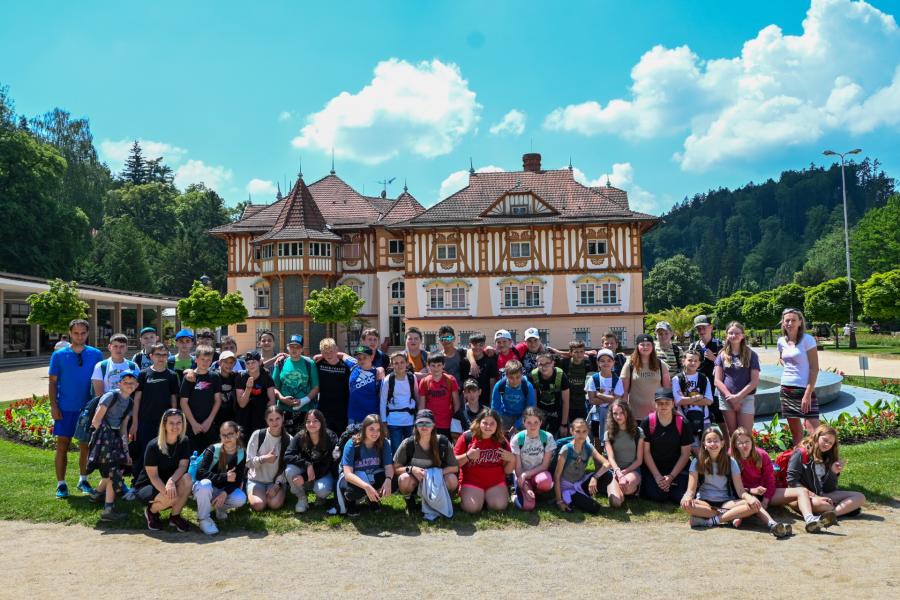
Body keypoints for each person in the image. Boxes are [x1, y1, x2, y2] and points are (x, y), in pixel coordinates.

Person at [49, 319, 104, 498]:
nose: (79, 336)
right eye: (76, 333)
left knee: (85, 446)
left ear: (88, 333)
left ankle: (83, 480)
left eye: (83, 333)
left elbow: (100, 380)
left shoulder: (96, 354)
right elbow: (52, 382)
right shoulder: (58, 355)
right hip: (65, 408)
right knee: (62, 446)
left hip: (87, 409)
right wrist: (54, 406)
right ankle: (61, 484)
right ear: (70, 333)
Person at [681, 426, 764, 531]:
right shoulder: (697, 462)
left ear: (722, 443)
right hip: (704, 502)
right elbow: (690, 490)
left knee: (754, 504)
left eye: (716, 441)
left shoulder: (731, 461)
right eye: (709, 441)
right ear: (704, 445)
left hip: (726, 502)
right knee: (685, 505)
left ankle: (710, 521)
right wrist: (687, 497)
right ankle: (731, 516)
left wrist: (750, 498)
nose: (713, 444)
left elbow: (740, 491)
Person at [729, 428, 803, 536]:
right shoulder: (731, 457)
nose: (744, 445)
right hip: (743, 493)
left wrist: (765, 501)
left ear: (752, 442)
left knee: (801, 492)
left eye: (747, 441)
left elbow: (770, 480)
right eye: (740, 443)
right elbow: (733, 485)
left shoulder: (761, 455)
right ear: (735, 445)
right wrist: (751, 490)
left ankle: (810, 518)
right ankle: (773, 525)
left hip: (763, 492)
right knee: (753, 502)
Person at [86, 369, 138, 521]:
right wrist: (98, 441)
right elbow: (96, 420)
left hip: (115, 438)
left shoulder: (130, 402)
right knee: (112, 472)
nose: (129, 385)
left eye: (132, 383)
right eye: (126, 382)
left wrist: (126, 451)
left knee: (113, 470)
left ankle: (96, 495)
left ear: (136, 385)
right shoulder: (110, 396)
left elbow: (123, 428)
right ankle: (108, 510)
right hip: (102, 438)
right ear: (119, 383)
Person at [787, 424, 865, 520]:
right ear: (816, 436)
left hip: (822, 494)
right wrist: (815, 496)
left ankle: (831, 515)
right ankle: (842, 510)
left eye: (830, 443)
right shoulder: (801, 453)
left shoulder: (828, 456)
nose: (827, 444)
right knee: (823, 505)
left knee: (860, 497)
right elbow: (792, 481)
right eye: (825, 440)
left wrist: (833, 472)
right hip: (803, 497)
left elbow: (829, 488)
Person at [133, 408, 193, 532]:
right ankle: (151, 511)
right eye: (171, 423)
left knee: (187, 479)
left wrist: (171, 481)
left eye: (179, 422)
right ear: (164, 425)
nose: (175, 426)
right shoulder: (153, 445)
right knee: (171, 497)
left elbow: (183, 466)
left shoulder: (184, 441)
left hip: (169, 480)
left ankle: (175, 516)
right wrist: (167, 492)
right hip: (149, 484)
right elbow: (153, 476)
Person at [393, 409, 459, 516]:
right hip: (416, 479)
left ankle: (444, 499)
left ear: (433, 426)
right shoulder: (408, 443)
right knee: (404, 479)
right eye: (420, 423)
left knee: (452, 480)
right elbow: (396, 468)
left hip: (437, 480)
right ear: (416, 426)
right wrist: (412, 469)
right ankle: (410, 502)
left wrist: (435, 474)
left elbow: (455, 467)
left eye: (428, 423)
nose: (424, 426)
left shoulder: (443, 442)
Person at [130, 343, 179, 482]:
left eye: (164, 355)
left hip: (164, 423)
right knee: (144, 451)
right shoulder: (143, 374)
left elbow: (174, 399)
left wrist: (174, 420)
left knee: (163, 451)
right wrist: (135, 422)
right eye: (158, 354)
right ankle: (138, 482)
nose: (161, 357)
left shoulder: (172, 375)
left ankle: (161, 480)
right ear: (151, 356)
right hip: (145, 421)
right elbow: (137, 399)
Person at [454, 408, 515, 513]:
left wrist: (512, 459)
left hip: (495, 482)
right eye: (485, 423)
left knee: (499, 507)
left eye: (492, 423)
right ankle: (480, 498)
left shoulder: (502, 440)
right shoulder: (467, 437)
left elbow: (507, 471)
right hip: (472, 481)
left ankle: (486, 498)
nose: (488, 426)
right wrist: (468, 456)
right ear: (478, 422)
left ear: (497, 425)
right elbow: (454, 463)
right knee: (472, 508)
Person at [193, 421, 248, 535]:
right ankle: (204, 519)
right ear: (220, 436)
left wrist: (225, 493)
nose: (227, 438)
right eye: (224, 435)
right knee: (205, 484)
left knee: (241, 498)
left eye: (230, 434)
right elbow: (200, 474)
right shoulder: (213, 449)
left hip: (221, 490)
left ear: (237, 434)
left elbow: (237, 481)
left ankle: (220, 509)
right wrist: (224, 477)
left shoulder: (241, 453)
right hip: (203, 489)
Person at [640, 389, 693, 503]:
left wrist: (671, 477)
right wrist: (657, 476)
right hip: (654, 468)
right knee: (658, 496)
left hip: (676, 468)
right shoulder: (647, 422)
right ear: (655, 404)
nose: (663, 406)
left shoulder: (683, 423)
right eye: (660, 403)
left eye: (667, 403)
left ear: (673, 403)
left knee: (678, 496)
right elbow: (646, 452)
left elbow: (685, 454)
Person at [777, 308, 821, 446]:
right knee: (796, 433)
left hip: (804, 389)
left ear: (800, 322)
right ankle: (799, 458)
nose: (790, 323)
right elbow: (782, 358)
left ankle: (822, 457)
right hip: (786, 388)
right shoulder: (781, 341)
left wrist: (807, 394)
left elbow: (814, 368)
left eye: (793, 320)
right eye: (787, 320)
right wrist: (790, 366)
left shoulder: (807, 340)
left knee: (815, 432)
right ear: (783, 322)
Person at [336, 414, 394, 516]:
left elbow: (389, 466)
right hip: (354, 477)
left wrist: (388, 480)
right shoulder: (352, 444)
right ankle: (351, 502)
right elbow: (348, 474)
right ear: (364, 429)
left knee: (394, 482)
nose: (375, 433)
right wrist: (366, 486)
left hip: (373, 474)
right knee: (352, 492)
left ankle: (372, 499)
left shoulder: (383, 442)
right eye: (371, 429)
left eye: (378, 429)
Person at [553, 418, 612, 514]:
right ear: (571, 431)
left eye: (584, 431)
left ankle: (581, 496)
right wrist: (559, 501)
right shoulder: (566, 450)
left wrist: (595, 477)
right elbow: (557, 476)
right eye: (578, 431)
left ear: (588, 432)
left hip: (580, 482)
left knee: (607, 475)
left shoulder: (588, 447)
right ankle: (566, 497)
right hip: (567, 487)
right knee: (595, 508)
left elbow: (607, 464)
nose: (581, 434)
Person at [285, 409, 338, 512]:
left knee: (322, 490)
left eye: (315, 421)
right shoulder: (300, 436)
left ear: (322, 422)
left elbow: (326, 465)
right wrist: (307, 465)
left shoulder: (330, 437)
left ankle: (321, 497)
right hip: (306, 470)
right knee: (290, 470)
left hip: (324, 473)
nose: (311, 424)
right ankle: (302, 498)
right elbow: (287, 455)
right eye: (308, 421)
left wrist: (304, 477)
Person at [714, 322, 760, 439]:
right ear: (726, 335)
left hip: (746, 398)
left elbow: (754, 381)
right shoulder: (722, 355)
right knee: (733, 434)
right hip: (726, 399)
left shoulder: (751, 355)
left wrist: (738, 397)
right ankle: (733, 452)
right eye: (730, 333)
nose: (733, 335)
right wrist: (730, 397)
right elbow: (717, 380)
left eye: (737, 333)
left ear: (743, 335)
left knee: (745, 434)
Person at [245, 406, 290, 513]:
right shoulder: (257, 435)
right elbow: (248, 463)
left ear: (283, 418)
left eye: (278, 418)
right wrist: (264, 459)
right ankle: (252, 491)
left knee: (274, 504)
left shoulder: (289, 439)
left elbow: (287, 467)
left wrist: (277, 485)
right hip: (256, 480)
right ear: (266, 420)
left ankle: (279, 492)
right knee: (258, 505)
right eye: (271, 419)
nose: (275, 422)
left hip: (276, 482)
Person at [510, 407, 556, 511]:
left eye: (536, 422)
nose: (533, 425)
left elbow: (545, 466)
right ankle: (516, 495)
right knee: (528, 506)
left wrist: (526, 474)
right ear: (524, 422)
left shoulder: (547, 437)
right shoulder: (517, 439)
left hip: (538, 473)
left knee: (546, 482)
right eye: (529, 422)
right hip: (521, 475)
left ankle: (537, 493)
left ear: (541, 422)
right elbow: (518, 468)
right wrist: (526, 487)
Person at [273, 334, 319, 434]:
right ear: (287, 347)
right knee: (285, 440)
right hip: (283, 410)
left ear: (302, 349)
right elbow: (274, 387)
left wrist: (303, 401)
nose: (294, 349)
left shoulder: (309, 363)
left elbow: (316, 387)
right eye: (292, 346)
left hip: (305, 411)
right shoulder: (281, 363)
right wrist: (282, 398)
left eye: (297, 347)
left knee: (303, 440)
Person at [180, 345, 222, 452]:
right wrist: (193, 423)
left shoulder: (214, 377)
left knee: (210, 455)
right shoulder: (189, 377)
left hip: (209, 424)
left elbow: (218, 400)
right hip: (192, 425)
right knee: (192, 456)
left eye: (208, 360)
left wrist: (209, 421)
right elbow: (183, 402)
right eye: (202, 359)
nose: (205, 362)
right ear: (196, 359)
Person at [672, 348, 713, 455]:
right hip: (685, 419)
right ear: (683, 361)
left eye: (696, 360)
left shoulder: (704, 378)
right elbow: (678, 401)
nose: (693, 363)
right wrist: (698, 397)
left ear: (699, 363)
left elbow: (709, 401)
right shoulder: (677, 379)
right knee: (693, 449)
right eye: (690, 360)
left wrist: (687, 400)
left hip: (704, 419)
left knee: (707, 449)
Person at [622, 333, 671, 421]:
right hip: (635, 414)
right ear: (637, 346)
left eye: (648, 344)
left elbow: (667, 389)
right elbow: (624, 391)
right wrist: (624, 410)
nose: (645, 347)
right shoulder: (630, 364)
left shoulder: (660, 364)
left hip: (657, 413)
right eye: (642, 344)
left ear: (653, 346)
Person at [603, 399, 644, 506]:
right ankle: (617, 490)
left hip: (632, 470)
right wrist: (618, 473)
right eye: (615, 413)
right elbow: (610, 458)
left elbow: (639, 460)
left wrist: (624, 473)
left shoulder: (638, 432)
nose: (618, 416)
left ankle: (629, 489)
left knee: (627, 486)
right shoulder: (608, 434)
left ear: (627, 413)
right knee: (616, 502)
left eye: (622, 413)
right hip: (615, 471)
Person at [688, 315, 725, 428]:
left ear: (711, 327)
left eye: (704, 327)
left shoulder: (720, 345)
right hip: (699, 387)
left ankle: (726, 439)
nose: (701, 331)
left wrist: (714, 359)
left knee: (720, 418)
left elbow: (729, 368)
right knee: (699, 417)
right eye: (698, 328)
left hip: (716, 388)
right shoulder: (693, 346)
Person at [314, 338, 356, 435]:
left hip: (342, 409)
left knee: (342, 437)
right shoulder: (318, 364)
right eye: (325, 352)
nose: (329, 355)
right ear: (321, 352)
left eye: (331, 351)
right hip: (324, 408)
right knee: (325, 437)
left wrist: (343, 355)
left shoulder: (346, 365)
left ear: (337, 349)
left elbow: (357, 363)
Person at [381, 352, 419, 451]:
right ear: (392, 365)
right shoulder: (388, 380)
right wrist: (384, 422)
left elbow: (417, 397)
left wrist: (419, 417)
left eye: (402, 362)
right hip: (393, 421)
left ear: (407, 363)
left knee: (411, 450)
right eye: (396, 363)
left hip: (410, 420)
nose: (399, 365)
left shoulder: (412, 377)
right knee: (396, 450)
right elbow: (383, 401)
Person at [585, 348, 624, 445]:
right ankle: (599, 454)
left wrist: (599, 395)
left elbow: (616, 400)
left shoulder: (617, 380)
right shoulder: (593, 379)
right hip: (596, 415)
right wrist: (609, 398)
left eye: (609, 360)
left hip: (612, 415)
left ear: (613, 362)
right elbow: (592, 400)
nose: (606, 363)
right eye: (602, 361)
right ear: (598, 363)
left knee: (611, 439)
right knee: (597, 439)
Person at [235, 351, 276, 437]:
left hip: (262, 415)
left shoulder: (266, 376)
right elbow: (242, 404)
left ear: (260, 362)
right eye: (248, 363)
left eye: (253, 362)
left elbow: (272, 402)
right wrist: (248, 388)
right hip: (245, 417)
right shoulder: (241, 377)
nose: (251, 365)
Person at [418, 354, 460, 438]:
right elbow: (422, 405)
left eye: (439, 365)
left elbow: (456, 403)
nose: (436, 368)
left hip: (447, 423)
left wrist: (456, 420)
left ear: (443, 365)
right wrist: (420, 421)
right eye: (433, 365)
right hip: (430, 423)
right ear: (428, 366)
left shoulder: (450, 380)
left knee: (445, 445)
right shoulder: (424, 382)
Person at [528, 352, 570, 436]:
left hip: (557, 412)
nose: (543, 367)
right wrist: (534, 422)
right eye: (540, 364)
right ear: (537, 364)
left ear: (553, 363)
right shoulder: (533, 375)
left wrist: (564, 425)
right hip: (540, 413)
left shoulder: (561, 375)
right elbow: (534, 402)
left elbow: (566, 401)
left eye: (547, 363)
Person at [490, 360, 536, 434]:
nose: (515, 381)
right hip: (505, 415)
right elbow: (495, 407)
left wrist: (517, 425)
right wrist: (499, 421)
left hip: (522, 416)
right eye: (511, 377)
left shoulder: (527, 386)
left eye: (518, 377)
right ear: (506, 375)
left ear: (522, 374)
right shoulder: (500, 385)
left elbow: (530, 408)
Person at [557, 340, 597, 423]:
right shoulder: (564, 363)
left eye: (581, 352)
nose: (579, 354)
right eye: (576, 352)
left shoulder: (588, 363)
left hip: (582, 404)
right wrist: (560, 352)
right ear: (570, 353)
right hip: (567, 404)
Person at [91, 333, 138, 398]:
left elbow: (137, 390)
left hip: (128, 403)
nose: (118, 349)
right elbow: (99, 395)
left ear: (126, 348)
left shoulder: (133, 366)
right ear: (109, 347)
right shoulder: (101, 366)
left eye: (122, 346)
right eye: (115, 346)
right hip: (107, 403)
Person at [348, 345, 384, 428]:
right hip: (354, 417)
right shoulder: (353, 367)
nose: (362, 360)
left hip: (372, 418)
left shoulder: (378, 373)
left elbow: (382, 396)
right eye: (359, 358)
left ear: (371, 357)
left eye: (365, 357)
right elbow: (342, 355)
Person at [461, 333, 498, 408]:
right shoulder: (464, 362)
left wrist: (491, 405)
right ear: (470, 345)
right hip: (470, 403)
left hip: (486, 403)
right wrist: (464, 407)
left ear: (484, 345)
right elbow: (463, 385)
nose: (478, 347)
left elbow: (492, 385)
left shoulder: (490, 361)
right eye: (475, 344)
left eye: (480, 345)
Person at [210, 350, 240, 427]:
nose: (229, 365)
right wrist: (190, 371)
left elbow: (248, 371)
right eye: (226, 362)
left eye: (231, 362)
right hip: (215, 418)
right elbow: (200, 371)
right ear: (219, 363)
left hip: (231, 418)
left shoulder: (236, 376)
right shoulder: (212, 376)